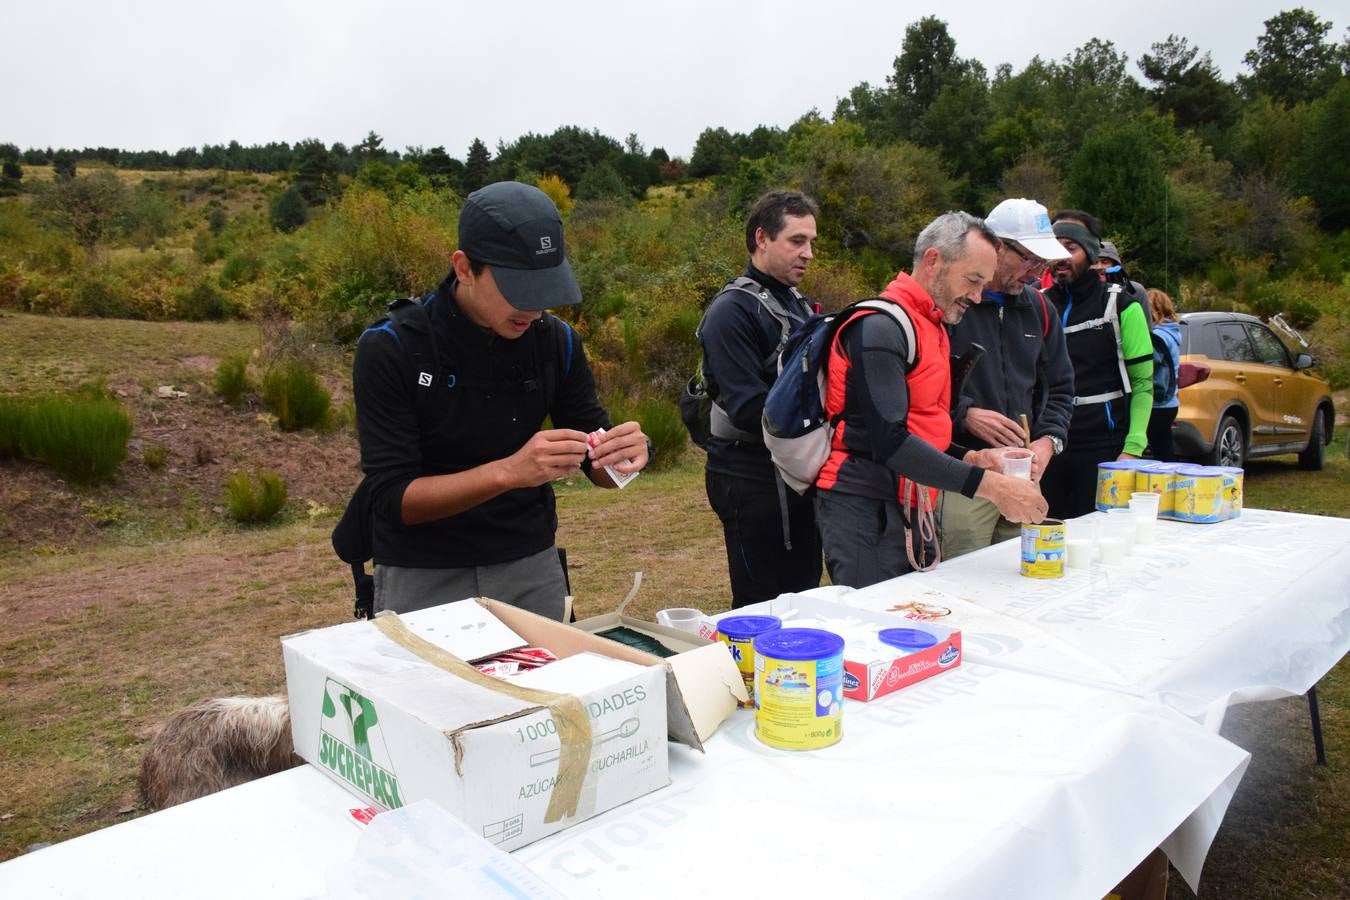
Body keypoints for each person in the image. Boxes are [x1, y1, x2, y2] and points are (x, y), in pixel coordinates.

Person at [352, 181, 650, 619]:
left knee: (547, 689)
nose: (533, 309)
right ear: (464, 268)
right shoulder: (392, 346)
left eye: (546, 288)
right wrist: (511, 472)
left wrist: (623, 457)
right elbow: (394, 499)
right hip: (422, 572)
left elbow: (596, 463)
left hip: (530, 567)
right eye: (517, 288)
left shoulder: (557, 342)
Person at [813, 212, 1048, 589]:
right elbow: (891, 441)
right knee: (876, 631)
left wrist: (973, 457)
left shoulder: (933, 324)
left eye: (983, 285)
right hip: (863, 506)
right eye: (972, 280)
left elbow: (922, 426)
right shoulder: (880, 327)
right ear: (933, 260)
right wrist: (989, 485)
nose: (976, 295)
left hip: (908, 504)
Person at [699, 190, 823, 607]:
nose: (807, 253)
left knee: (804, 590)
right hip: (748, 474)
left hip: (797, 470)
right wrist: (823, 430)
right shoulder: (731, 311)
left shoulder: (797, 304)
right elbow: (749, 407)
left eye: (811, 243)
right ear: (762, 239)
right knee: (762, 601)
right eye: (796, 241)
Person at [942, 199, 1075, 558]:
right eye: (1029, 259)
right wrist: (966, 414)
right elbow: (921, 390)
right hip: (963, 474)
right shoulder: (952, 304)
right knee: (962, 579)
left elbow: (1062, 388)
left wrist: (1049, 441)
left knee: (1019, 575)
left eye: (1042, 262)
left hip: (1024, 474)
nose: (1036, 271)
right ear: (996, 246)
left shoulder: (1041, 309)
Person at [1040, 211, 1153, 519]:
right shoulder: (1037, 304)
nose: (1061, 257)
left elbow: (1143, 384)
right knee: (1048, 536)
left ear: (1090, 252)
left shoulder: (1122, 305)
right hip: (1048, 446)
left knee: (1097, 543)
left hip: (1105, 446)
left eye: (1070, 248)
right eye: (1055, 248)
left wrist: (1133, 448)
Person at [1146, 288, 1182, 461]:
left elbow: (1147, 364)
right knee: (1164, 450)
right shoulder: (1172, 333)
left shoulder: (1158, 335)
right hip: (1170, 402)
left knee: (1160, 453)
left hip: (1157, 403)